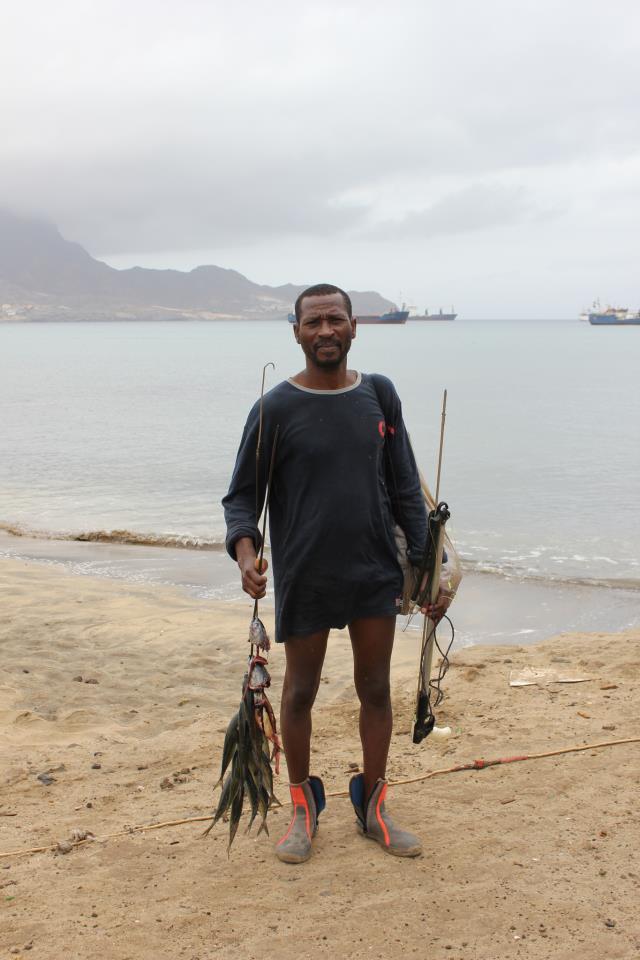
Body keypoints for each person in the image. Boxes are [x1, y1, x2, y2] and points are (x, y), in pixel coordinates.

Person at [223, 283, 450, 863]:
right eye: (313, 322)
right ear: (295, 332)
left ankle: (374, 807)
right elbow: (242, 500)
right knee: (299, 693)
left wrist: (427, 573)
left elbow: (405, 487)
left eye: (335, 320)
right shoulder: (274, 408)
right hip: (306, 574)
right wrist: (247, 557)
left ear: (354, 328)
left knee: (375, 688)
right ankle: (303, 811)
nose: (325, 330)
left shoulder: (379, 394)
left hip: (374, 572)